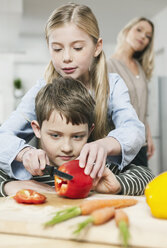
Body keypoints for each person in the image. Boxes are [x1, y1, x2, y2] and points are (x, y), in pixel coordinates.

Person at [0, 3, 145, 183]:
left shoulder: (112, 85)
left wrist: (104, 145)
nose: (66, 57)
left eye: (77, 48)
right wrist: (25, 153)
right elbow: (3, 135)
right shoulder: (41, 90)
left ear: (97, 47)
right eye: (57, 49)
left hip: (100, 182)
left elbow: (134, 130)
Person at [1, 77, 154, 196]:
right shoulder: (26, 170)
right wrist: (7, 186)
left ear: (90, 131)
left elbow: (147, 176)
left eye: (77, 137)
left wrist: (118, 184)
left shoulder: (96, 168)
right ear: (37, 129)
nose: (66, 148)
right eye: (55, 135)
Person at [107, 17, 155, 166]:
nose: (143, 37)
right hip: (121, 144)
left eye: (148, 36)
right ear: (127, 31)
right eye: (139, 30)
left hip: (141, 143)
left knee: (143, 185)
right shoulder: (108, 65)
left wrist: (149, 137)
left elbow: (142, 108)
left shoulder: (140, 67)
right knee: (121, 187)